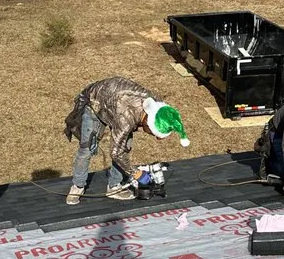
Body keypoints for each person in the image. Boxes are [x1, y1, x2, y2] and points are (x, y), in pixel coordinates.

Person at [63, 77, 190, 205]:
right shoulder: (126, 119)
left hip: (116, 104)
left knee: (124, 146)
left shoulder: (157, 105)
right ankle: (77, 187)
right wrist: (137, 174)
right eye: (152, 133)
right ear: (147, 122)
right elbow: (115, 152)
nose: (155, 137)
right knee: (87, 149)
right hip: (95, 104)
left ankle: (114, 187)